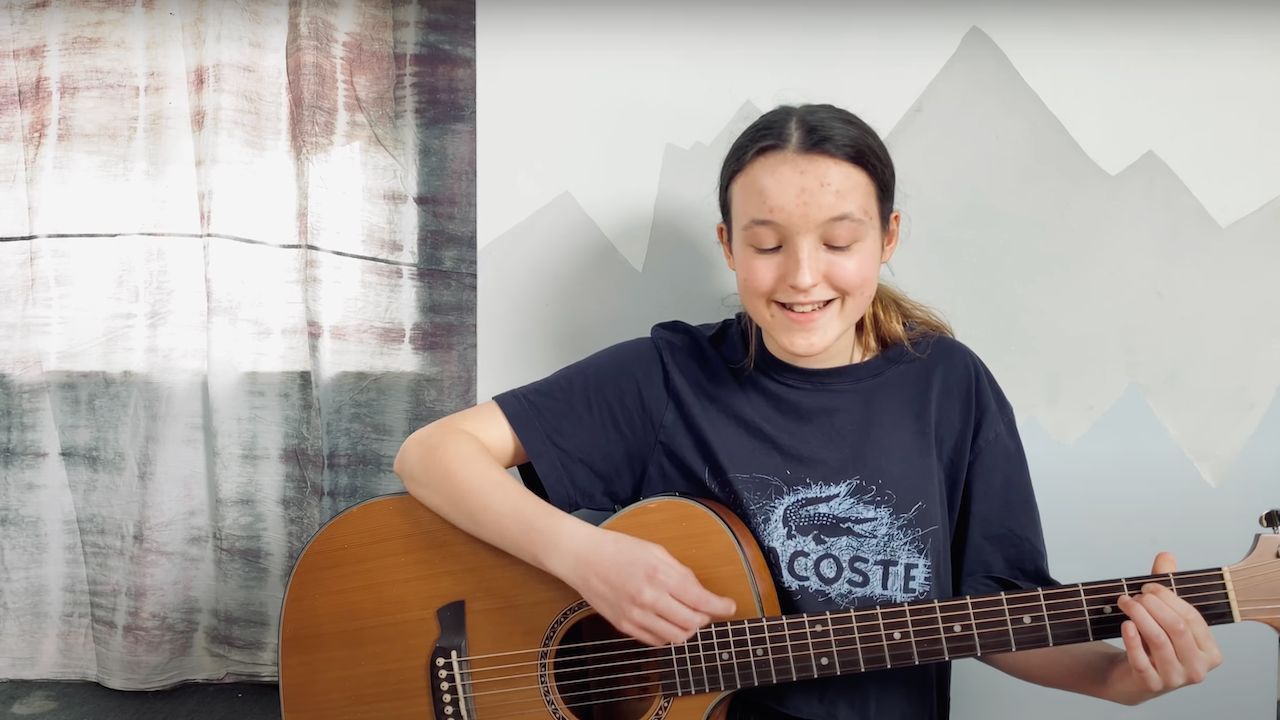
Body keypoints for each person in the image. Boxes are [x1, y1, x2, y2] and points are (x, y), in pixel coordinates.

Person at [393, 103, 1223, 720]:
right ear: (727, 245)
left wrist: (1119, 677)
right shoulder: (665, 376)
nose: (800, 277)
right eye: (765, 244)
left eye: (838, 241)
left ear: (888, 238)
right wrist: (587, 561)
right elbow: (433, 454)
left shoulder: (950, 388)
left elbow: (996, 618)